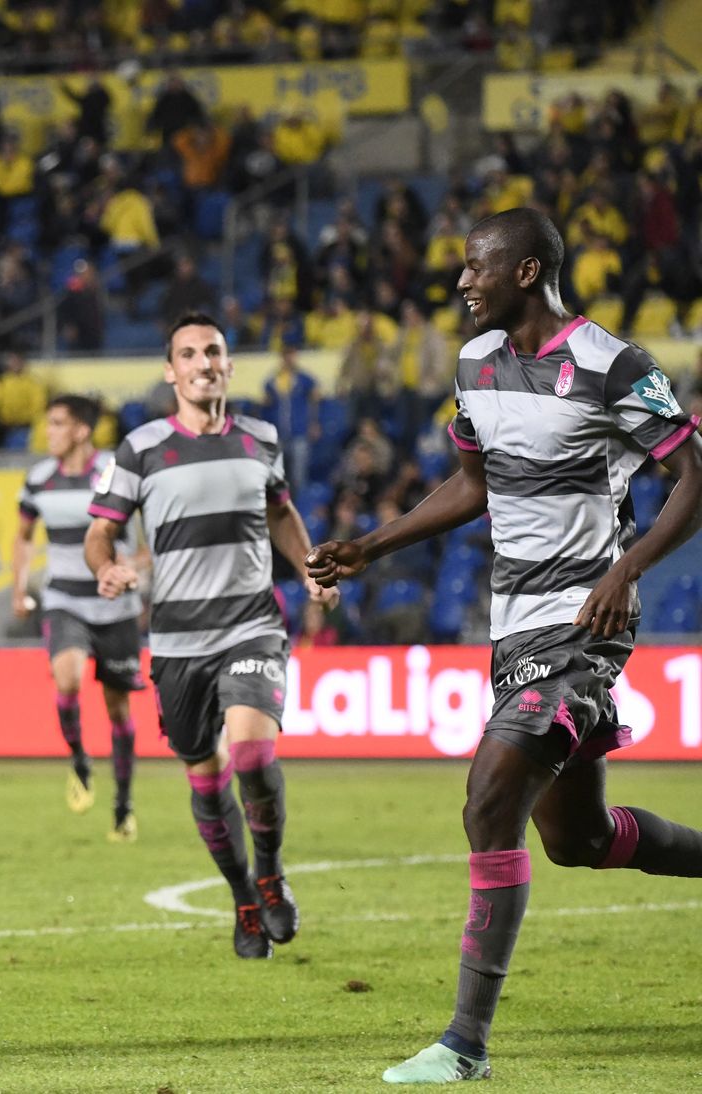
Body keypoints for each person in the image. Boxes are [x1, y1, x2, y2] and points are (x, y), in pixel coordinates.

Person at [307, 207, 702, 1084]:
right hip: (513, 623)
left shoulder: (611, 364)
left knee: (489, 799)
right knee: (581, 840)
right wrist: (372, 545)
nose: (460, 282)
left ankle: (464, 1046)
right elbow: (472, 482)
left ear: (526, 271)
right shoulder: (476, 365)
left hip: (586, 623)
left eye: (475, 267)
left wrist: (627, 568)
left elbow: (693, 475)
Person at [85, 312, 338, 959]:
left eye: (213, 352)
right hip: (176, 643)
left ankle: (273, 872)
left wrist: (309, 572)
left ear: (228, 365)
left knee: (252, 757)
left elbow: (280, 511)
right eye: (189, 354)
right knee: (205, 777)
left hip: (250, 624)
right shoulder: (140, 448)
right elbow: (101, 529)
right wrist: (106, 565)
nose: (202, 363)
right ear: (171, 371)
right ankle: (243, 898)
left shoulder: (260, 438)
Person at [12, 395, 146, 840]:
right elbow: (23, 537)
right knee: (66, 678)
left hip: (116, 607)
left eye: (57, 424)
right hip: (63, 599)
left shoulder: (116, 472)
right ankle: (79, 759)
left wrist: (132, 569)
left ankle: (123, 805)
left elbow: (149, 541)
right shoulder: (39, 479)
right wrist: (19, 586)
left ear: (82, 430)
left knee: (118, 710)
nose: (47, 432)